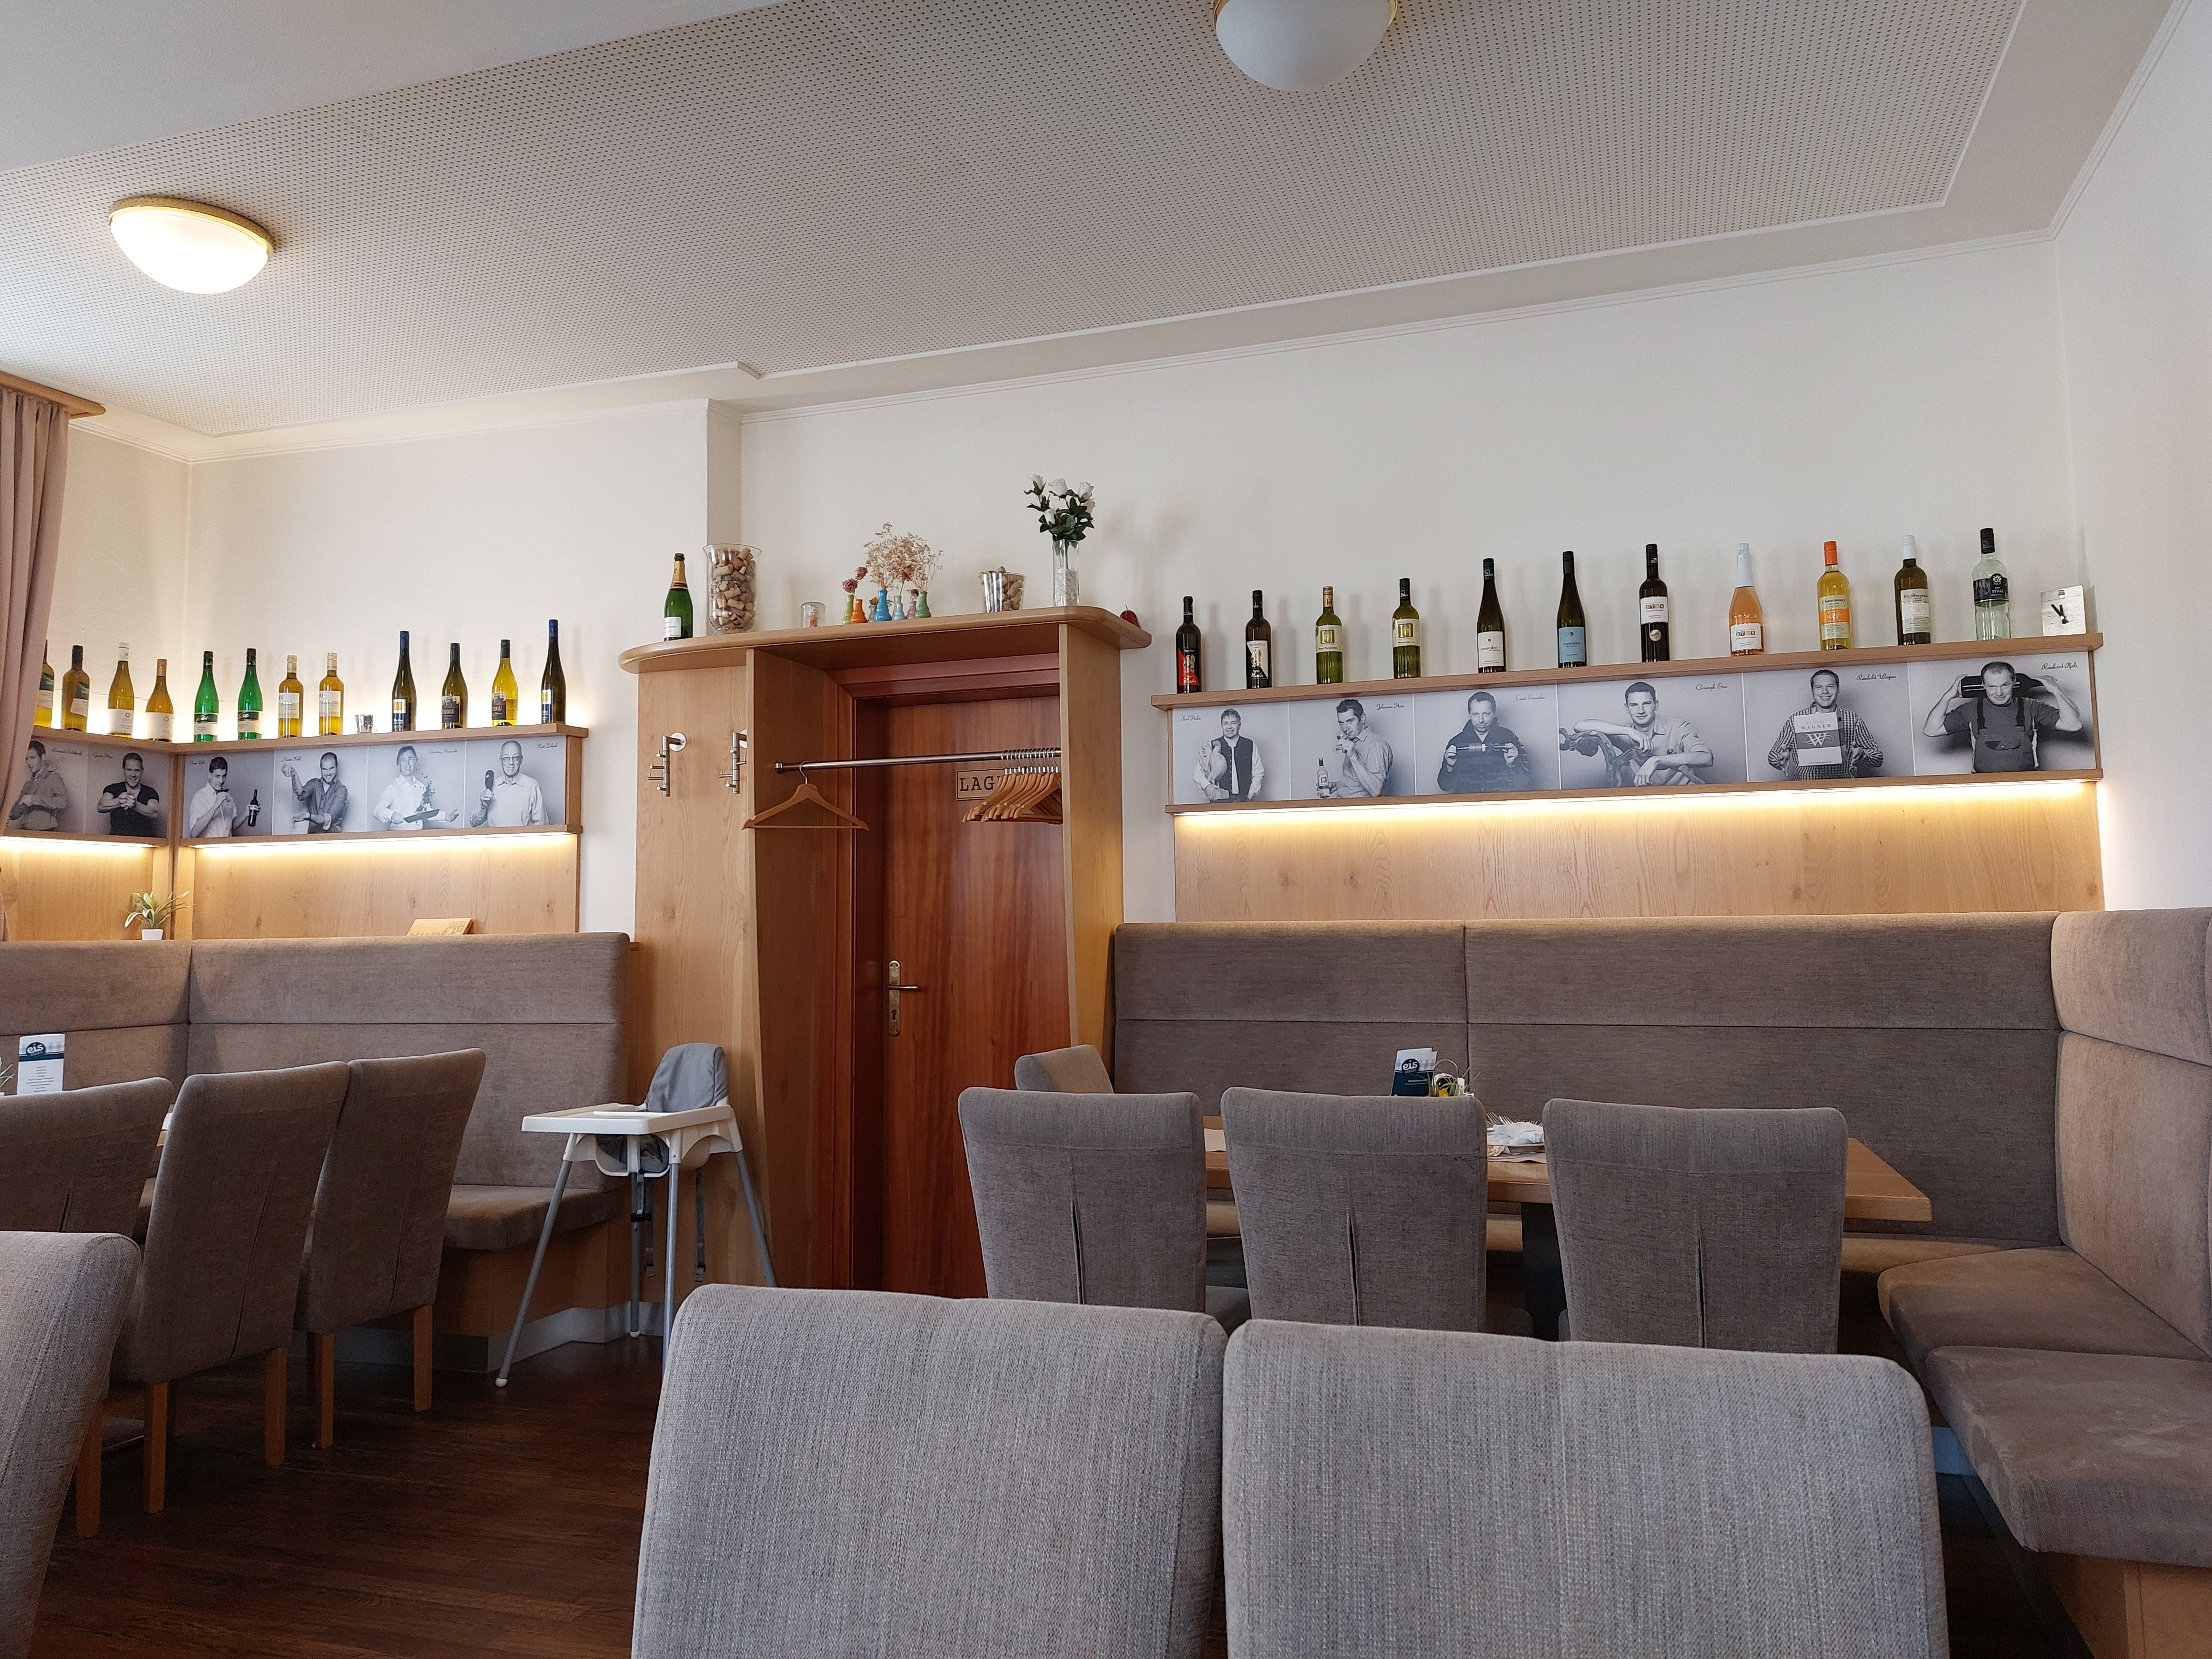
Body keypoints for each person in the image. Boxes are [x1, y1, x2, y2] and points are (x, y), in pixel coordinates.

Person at [1922, 660, 2084, 773]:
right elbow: (1931, 730)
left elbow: (2073, 725)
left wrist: (2056, 690)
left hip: (2028, 784)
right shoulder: (1971, 709)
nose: (1999, 693)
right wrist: (1948, 697)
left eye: (2004, 685)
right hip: (1984, 786)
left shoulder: (2031, 706)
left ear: (2014, 682)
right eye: (1992, 687)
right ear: (1983, 685)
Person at [1565, 681, 1713, 787]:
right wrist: (1629, 731)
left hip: (1682, 800)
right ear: (1627, 708)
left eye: (1646, 704)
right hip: (1642, 803)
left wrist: (1657, 760)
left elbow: (1706, 758)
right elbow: (1580, 726)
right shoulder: (1626, 734)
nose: (1641, 711)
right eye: (1634, 705)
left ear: (1656, 705)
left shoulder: (1678, 727)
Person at [1767, 669, 1884, 780]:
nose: (1825, 692)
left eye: (1830, 686)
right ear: (1812, 690)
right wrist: (1780, 759)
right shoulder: (1796, 720)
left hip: (1844, 788)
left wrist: (1863, 755)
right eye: (1819, 687)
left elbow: (1878, 758)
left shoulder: (1853, 720)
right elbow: (1773, 756)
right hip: (1807, 788)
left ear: (1838, 689)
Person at [1437, 690, 1533, 793]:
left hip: (1501, 800)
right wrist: (1450, 767)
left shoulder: (1509, 738)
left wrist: (1512, 765)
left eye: (1486, 714)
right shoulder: (1457, 742)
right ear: (1469, 713)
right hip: (1468, 801)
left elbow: (1523, 783)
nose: (1481, 720)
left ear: (1494, 713)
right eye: (1476, 714)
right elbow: (1445, 787)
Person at [1316, 698, 1392, 798]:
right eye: (1341, 723)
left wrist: (1353, 757)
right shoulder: (1354, 743)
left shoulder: (1376, 745)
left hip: (1362, 807)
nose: (1345, 728)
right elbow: (1358, 783)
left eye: (1350, 721)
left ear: (1363, 718)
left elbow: (1376, 790)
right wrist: (1339, 786)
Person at [374, 744, 454, 829]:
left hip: (419, 835)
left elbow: (425, 812)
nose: (408, 764)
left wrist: (445, 816)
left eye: (411, 759)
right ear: (399, 765)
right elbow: (378, 811)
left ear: (416, 762)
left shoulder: (421, 787)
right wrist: (392, 815)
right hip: (398, 835)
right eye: (403, 761)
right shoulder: (392, 788)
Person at [1193, 709, 1264, 803]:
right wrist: (1207, 786)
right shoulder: (1211, 746)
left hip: (1245, 801)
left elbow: (1258, 772)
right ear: (1222, 726)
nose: (1229, 727)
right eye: (1226, 723)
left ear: (1239, 725)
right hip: (1218, 803)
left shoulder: (1250, 745)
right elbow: (1198, 771)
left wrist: (1250, 796)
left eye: (1233, 723)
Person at [471, 739, 547, 826]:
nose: (511, 763)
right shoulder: (491, 786)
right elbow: (474, 822)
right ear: (501, 761)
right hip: (495, 835)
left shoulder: (532, 786)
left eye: (515, 758)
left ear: (521, 760)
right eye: (507, 758)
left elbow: (542, 825)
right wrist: (483, 806)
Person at [97, 751, 163, 835]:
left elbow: (155, 812)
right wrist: (120, 801)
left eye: (137, 770)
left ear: (142, 771)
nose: (133, 775)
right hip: (116, 841)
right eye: (129, 770)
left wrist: (135, 805)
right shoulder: (114, 789)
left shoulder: (150, 792)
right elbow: (101, 806)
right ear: (124, 770)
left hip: (144, 841)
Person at [8, 740, 67, 832]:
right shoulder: (28, 785)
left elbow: (63, 803)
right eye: (27, 759)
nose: (29, 763)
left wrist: (34, 800)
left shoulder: (53, 778)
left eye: (32, 758)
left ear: (43, 758)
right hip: (25, 833)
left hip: (45, 833)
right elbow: (15, 815)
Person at [284, 751, 349, 832]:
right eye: (325, 769)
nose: (328, 773)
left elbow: (327, 818)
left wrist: (310, 817)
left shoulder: (342, 790)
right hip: (312, 836)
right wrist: (294, 775)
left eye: (331, 768)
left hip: (332, 838)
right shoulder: (314, 784)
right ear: (321, 769)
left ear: (337, 767)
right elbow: (301, 795)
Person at [185, 755, 238, 838]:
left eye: (224, 776)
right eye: (218, 776)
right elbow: (194, 832)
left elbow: (233, 825)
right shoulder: (200, 797)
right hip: (208, 845)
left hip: (227, 844)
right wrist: (216, 805)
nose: (221, 781)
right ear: (209, 775)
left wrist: (247, 814)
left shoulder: (228, 796)